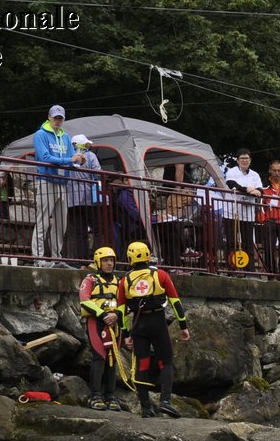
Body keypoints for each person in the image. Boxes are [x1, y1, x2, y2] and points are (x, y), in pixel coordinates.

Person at [116, 240, 189, 419]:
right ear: (148, 255)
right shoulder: (161, 275)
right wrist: (183, 326)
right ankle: (165, 401)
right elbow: (175, 302)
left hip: (139, 325)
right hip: (158, 322)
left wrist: (125, 335)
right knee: (167, 362)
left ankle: (146, 407)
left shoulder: (125, 280)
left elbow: (121, 311)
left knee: (142, 364)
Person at [79, 246, 127, 411]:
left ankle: (110, 395)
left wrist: (117, 316)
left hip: (114, 323)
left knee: (112, 357)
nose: (109, 264)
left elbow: (124, 304)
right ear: (98, 262)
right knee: (99, 356)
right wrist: (103, 315)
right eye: (105, 260)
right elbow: (84, 301)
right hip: (96, 322)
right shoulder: (90, 279)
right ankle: (95, 395)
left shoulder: (119, 282)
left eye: (111, 260)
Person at [31, 104, 79, 264]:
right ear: (49, 117)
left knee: (61, 224)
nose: (58, 120)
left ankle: (56, 257)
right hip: (45, 180)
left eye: (60, 118)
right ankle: (38, 257)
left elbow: (72, 158)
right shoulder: (40, 134)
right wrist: (69, 160)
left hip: (62, 183)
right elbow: (44, 158)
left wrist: (78, 161)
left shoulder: (66, 137)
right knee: (43, 220)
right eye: (55, 117)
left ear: (63, 119)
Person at [223, 150, 263, 272]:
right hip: (231, 212)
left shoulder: (255, 175)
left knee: (248, 243)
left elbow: (260, 190)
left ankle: (249, 270)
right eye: (242, 158)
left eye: (247, 158)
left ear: (250, 160)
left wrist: (252, 191)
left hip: (248, 214)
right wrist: (248, 190)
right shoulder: (232, 171)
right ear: (237, 160)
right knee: (231, 242)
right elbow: (231, 184)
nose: (244, 160)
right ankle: (232, 269)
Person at [64, 134, 103, 261]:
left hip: (72, 200)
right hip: (89, 199)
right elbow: (98, 173)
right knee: (98, 229)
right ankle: (98, 257)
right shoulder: (91, 156)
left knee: (80, 232)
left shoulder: (68, 157)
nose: (89, 146)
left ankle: (82, 260)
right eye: (86, 144)